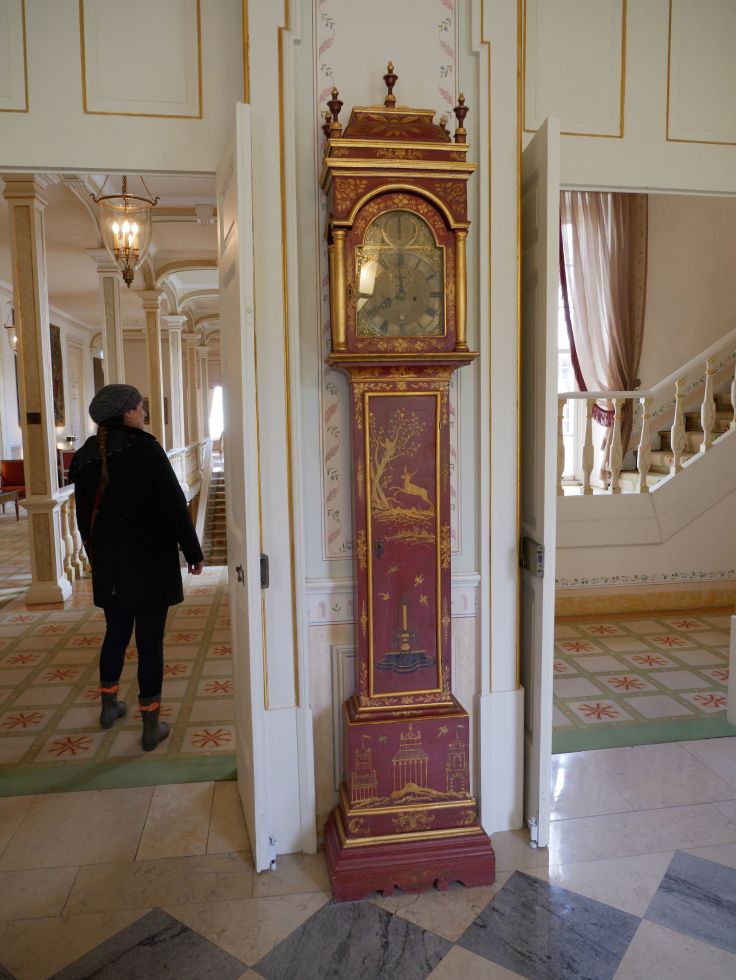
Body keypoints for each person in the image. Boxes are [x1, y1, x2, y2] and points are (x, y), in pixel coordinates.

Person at [69, 384, 204, 751]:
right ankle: (150, 723)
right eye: (141, 407)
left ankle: (109, 706)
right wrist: (193, 553)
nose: (144, 413)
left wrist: (98, 559)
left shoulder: (83, 457)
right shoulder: (145, 449)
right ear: (126, 412)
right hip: (149, 563)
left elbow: (85, 522)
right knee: (149, 643)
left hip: (110, 566)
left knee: (115, 633)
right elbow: (175, 505)